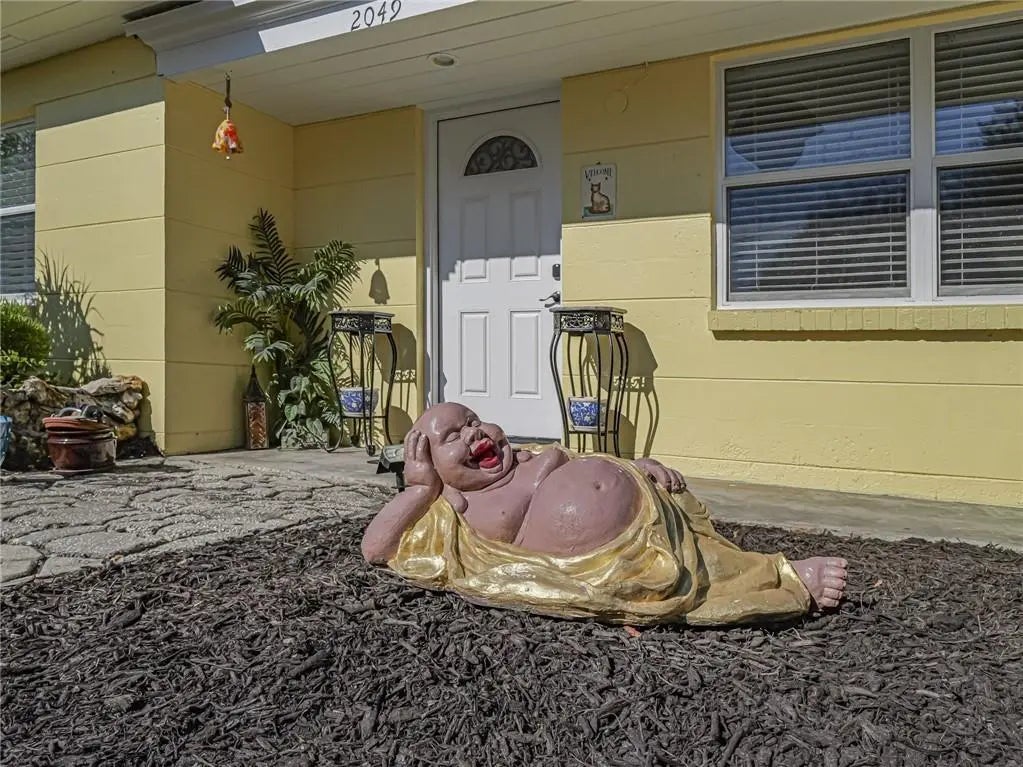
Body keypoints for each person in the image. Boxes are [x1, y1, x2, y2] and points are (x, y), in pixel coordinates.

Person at [362, 403, 847, 626]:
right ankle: (787, 576)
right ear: (431, 466)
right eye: (452, 437)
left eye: (473, 421)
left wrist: (634, 467)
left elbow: (583, 462)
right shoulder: (452, 505)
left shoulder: (527, 456)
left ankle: (772, 570)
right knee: (704, 579)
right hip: (613, 560)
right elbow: (375, 549)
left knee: (709, 556)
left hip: (650, 510)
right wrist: (419, 488)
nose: (473, 433)